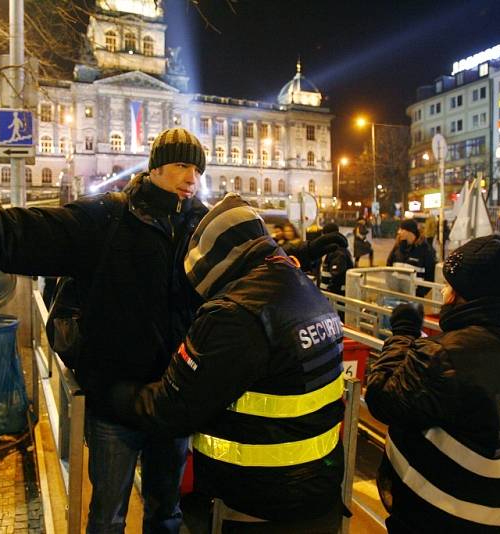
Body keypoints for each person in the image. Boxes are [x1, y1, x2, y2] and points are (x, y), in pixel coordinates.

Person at [0, 127, 343, 533]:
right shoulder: (106, 219)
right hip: (114, 399)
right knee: (108, 513)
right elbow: (17, 232)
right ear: (154, 167)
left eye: (197, 169)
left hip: (176, 396)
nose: (191, 178)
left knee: (166, 510)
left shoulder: (204, 228)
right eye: (180, 166)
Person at [110, 194, 347, 529]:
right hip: (318, 490)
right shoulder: (302, 287)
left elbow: (173, 408)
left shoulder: (234, 314)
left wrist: (114, 392)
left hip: (258, 502)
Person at [366, 234, 500, 533]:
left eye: (450, 285)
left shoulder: (444, 356)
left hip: (434, 519)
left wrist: (403, 334)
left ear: (459, 294)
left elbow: (382, 397)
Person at [386, 219, 436, 297]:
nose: (399, 232)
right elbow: (388, 268)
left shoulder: (425, 250)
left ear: (410, 232)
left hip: (414, 298)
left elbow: (431, 275)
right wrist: (392, 287)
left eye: (402, 229)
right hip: (396, 295)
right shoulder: (397, 248)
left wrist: (419, 293)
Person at [317, 223, 353, 296]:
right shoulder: (333, 249)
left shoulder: (338, 252)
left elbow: (336, 275)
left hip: (335, 295)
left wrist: (328, 292)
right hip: (330, 293)